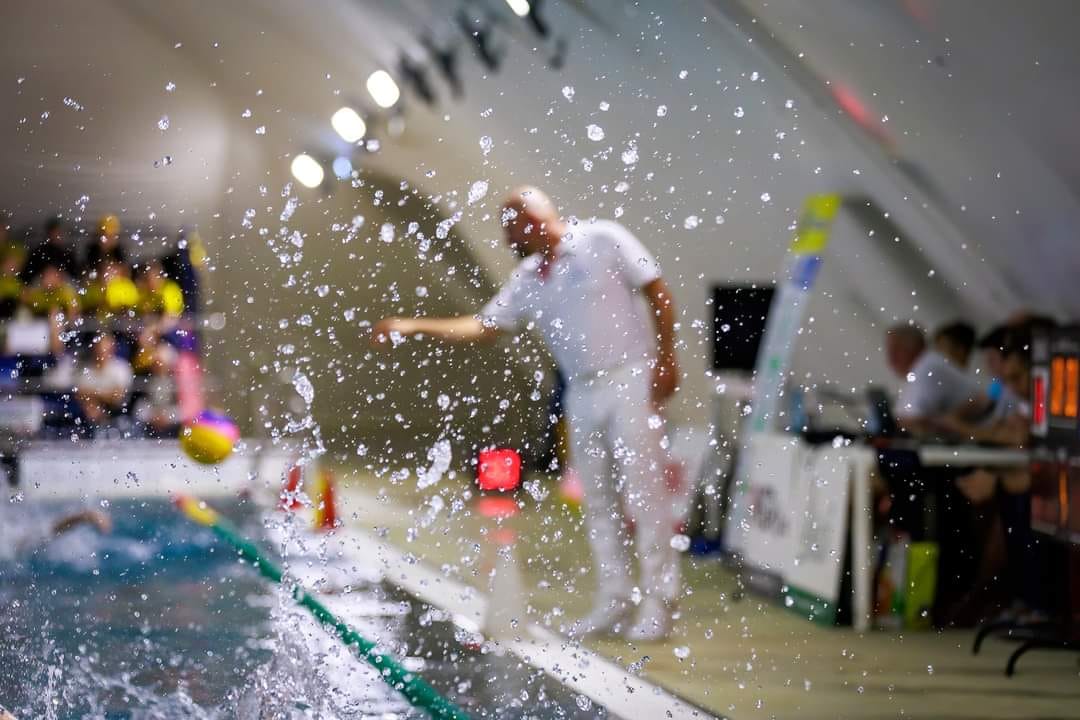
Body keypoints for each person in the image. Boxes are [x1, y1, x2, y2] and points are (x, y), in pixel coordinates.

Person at [372, 186, 682, 641]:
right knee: (598, 501)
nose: (506, 240)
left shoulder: (602, 239)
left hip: (630, 376)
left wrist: (668, 358)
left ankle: (659, 603)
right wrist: (414, 325)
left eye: (510, 228)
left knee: (643, 493)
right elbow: (484, 326)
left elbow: (657, 290)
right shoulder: (529, 278)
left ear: (533, 219)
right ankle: (615, 600)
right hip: (581, 390)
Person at [884, 323, 994, 437]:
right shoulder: (925, 365)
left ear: (913, 347)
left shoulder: (928, 368)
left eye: (896, 350)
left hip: (985, 440)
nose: (891, 358)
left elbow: (915, 421)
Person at [74, 333, 133, 428]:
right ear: (94, 348)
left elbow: (117, 396)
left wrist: (92, 394)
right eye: (99, 348)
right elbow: (79, 393)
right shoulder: (85, 368)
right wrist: (93, 403)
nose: (102, 352)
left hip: (117, 413)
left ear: (112, 348)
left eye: (105, 348)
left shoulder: (121, 368)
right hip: (89, 411)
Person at [22, 217, 77, 281]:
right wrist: (44, 275)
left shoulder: (68, 254)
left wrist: (61, 275)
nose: (58, 235)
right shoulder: (39, 252)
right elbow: (27, 276)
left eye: (60, 232)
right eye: (55, 232)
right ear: (49, 233)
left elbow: (75, 277)